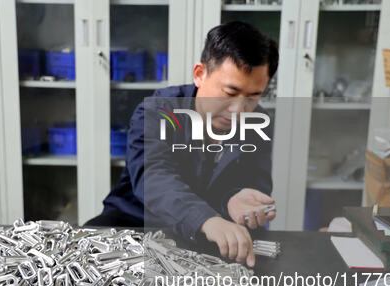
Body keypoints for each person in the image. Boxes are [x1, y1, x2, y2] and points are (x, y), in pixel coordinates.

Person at [86, 21, 279, 267]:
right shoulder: (157, 111)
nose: (238, 111)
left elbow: (255, 182)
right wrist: (205, 219)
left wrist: (236, 199)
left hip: (211, 234)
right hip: (137, 222)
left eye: (253, 97)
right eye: (229, 93)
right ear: (200, 74)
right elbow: (154, 178)